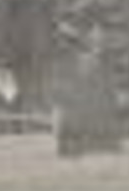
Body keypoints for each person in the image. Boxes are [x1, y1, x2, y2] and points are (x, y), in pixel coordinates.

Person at [52, 21, 123, 157]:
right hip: (71, 102)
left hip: (80, 103)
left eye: (65, 41)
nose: (61, 44)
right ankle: (69, 148)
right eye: (60, 40)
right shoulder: (69, 59)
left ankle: (79, 147)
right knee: (67, 125)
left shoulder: (83, 60)